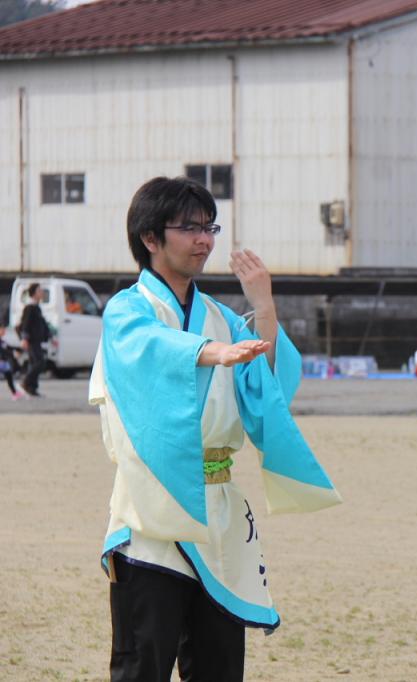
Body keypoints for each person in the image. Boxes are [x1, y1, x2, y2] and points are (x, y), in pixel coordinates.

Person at [89, 176, 341, 681]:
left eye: (210, 227)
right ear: (151, 238)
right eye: (190, 228)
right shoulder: (128, 309)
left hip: (219, 507)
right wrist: (208, 353)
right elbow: (150, 348)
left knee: (219, 666)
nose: (204, 240)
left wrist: (263, 306)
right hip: (151, 512)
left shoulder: (222, 318)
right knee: (142, 663)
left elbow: (264, 391)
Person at [18, 282, 50, 397]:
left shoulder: (37, 307)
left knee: (34, 363)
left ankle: (32, 388)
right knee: (39, 362)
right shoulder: (29, 307)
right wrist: (24, 339)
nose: (41, 292)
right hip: (31, 341)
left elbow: (42, 324)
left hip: (37, 340)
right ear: (34, 293)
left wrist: (49, 336)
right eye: (39, 290)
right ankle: (26, 382)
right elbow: (25, 324)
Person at [0, 322, 26, 400]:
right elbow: (3, 351)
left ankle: (15, 393)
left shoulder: (2, 341)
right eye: (2, 329)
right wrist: (13, 353)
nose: (4, 331)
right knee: (9, 376)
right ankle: (15, 393)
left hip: (3, 363)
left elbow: (9, 347)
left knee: (9, 376)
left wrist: (20, 349)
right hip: (1, 362)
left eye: (4, 329)